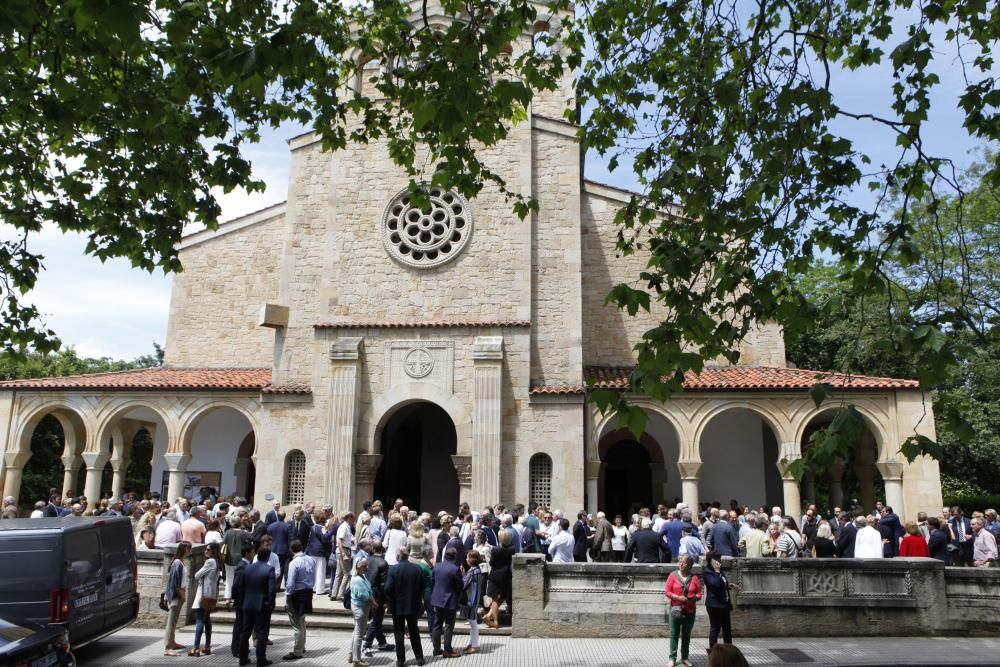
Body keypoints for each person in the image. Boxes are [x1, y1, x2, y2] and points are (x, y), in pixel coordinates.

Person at [385, 545, 426, 667]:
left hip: (397, 606)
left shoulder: (393, 569)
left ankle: (400, 660)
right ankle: (419, 658)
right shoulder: (417, 569)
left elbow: (387, 588)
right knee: (414, 631)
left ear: (398, 555)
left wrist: (390, 598)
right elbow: (422, 587)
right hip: (413, 605)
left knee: (399, 632)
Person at [236, 548, 276, 667]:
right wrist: (270, 603)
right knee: (262, 633)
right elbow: (272, 590)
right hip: (262, 606)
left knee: (245, 631)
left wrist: (243, 601)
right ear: (268, 557)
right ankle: (261, 659)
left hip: (247, 604)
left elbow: (241, 587)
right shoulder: (269, 569)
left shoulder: (247, 568)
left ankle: (242, 658)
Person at [665, 554, 702, 667]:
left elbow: (700, 593)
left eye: (684, 562)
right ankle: (672, 658)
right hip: (675, 609)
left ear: (689, 565)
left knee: (686, 635)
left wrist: (694, 598)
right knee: (674, 634)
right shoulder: (673, 575)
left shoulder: (694, 578)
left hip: (689, 610)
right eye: (680, 561)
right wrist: (677, 597)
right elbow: (667, 591)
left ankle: (685, 657)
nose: (681, 564)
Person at [284, 539, 315, 662]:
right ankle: (302, 646)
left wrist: (288, 595)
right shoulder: (311, 559)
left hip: (297, 593)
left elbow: (290, 582)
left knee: (297, 624)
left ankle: (297, 651)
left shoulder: (294, 563)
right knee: (301, 621)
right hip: (307, 592)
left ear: (291, 550)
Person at [430, 547, 463, 659]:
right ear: (454, 556)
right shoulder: (455, 569)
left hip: (437, 599)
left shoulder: (437, 566)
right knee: (449, 625)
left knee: (437, 625)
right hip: (450, 600)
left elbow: (433, 582)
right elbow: (460, 585)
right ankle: (448, 650)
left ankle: (436, 649)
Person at [361, 542, 393, 657]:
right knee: (376, 620)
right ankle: (367, 645)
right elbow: (385, 584)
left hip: (365, 592)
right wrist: (387, 600)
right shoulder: (384, 563)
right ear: (382, 549)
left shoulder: (366, 560)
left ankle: (382, 642)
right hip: (377, 595)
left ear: (373, 548)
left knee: (377, 619)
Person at [189, 542, 220, 656]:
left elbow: (197, 575)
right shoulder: (216, 562)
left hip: (204, 595)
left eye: (207, 549)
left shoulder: (210, 561)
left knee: (200, 620)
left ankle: (196, 648)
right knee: (206, 620)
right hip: (210, 595)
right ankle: (207, 646)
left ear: (213, 551)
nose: (205, 551)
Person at [702, 551, 737, 651]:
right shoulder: (707, 572)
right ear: (712, 560)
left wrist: (728, 585)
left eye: (720, 559)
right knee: (715, 629)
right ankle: (712, 652)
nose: (720, 561)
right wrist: (717, 571)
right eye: (718, 559)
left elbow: (721, 583)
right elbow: (715, 585)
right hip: (714, 605)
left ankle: (729, 652)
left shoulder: (719, 570)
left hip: (724, 604)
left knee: (727, 629)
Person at [163, 541, 192, 657]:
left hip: (178, 595)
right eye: (189, 548)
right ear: (184, 549)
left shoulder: (180, 562)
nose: (191, 550)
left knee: (174, 622)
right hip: (176, 596)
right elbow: (174, 583)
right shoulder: (177, 563)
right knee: (171, 622)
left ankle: (172, 642)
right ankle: (168, 647)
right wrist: (182, 594)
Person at [483, 528, 514, 629]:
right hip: (506, 576)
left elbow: (491, 563)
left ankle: (495, 621)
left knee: (495, 598)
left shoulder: (495, 549)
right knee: (503, 596)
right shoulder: (512, 549)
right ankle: (488, 615)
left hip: (495, 576)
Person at [230, 544, 256, 659]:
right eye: (252, 552)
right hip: (242, 602)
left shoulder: (248, 565)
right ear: (247, 554)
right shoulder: (242, 567)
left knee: (244, 626)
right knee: (240, 626)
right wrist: (237, 599)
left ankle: (243, 647)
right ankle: (236, 649)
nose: (254, 554)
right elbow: (236, 586)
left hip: (246, 601)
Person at [350, 558, 376, 667]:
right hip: (360, 608)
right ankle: (357, 660)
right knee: (359, 634)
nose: (367, 567)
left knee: (356, 631)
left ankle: (352, 655)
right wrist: (374, 603)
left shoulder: (361, 576)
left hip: (360, 607)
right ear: (359, 567)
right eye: (365, 566)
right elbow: (364, 595)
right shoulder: (357, 579)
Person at [223, 516, 252, 599]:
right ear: (240, 523)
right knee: (242, 578)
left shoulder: (227, 532)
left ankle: (228, 596)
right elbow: (251, 540)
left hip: (229, 558)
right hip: (241, 559)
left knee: (229, 578)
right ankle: (239, 595)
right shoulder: (244, 533)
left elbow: (223, 542)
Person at [461, 550, 483, 654]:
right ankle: (472, 643)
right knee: (472, 623)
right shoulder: (478, 570)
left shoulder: (472, 572)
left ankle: (475, 646)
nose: (466, 559)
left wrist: (462, 575)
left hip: (470, 600)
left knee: (473, 623)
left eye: (467, 557)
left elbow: (464, 585)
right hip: (475, 599)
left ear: (471, 560)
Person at [332, 512, 357, 600]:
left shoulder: (347, 527)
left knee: (339, 574)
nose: (354, 520)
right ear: (349, 518)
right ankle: (340, 594)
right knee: (347, 574)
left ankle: (334, 594)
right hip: (343, 550)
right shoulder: (344, 527)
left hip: (344, 550)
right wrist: (344, 554)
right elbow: (339, 541)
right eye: (353, 518)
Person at [307, 511, 330, 595]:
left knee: (314, 570)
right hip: (320, 551)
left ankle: (313, 587)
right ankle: (320, 589)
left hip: (312, 551)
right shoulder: (322, 528)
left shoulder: (312, 527)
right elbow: (324, 540)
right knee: (320, 570)